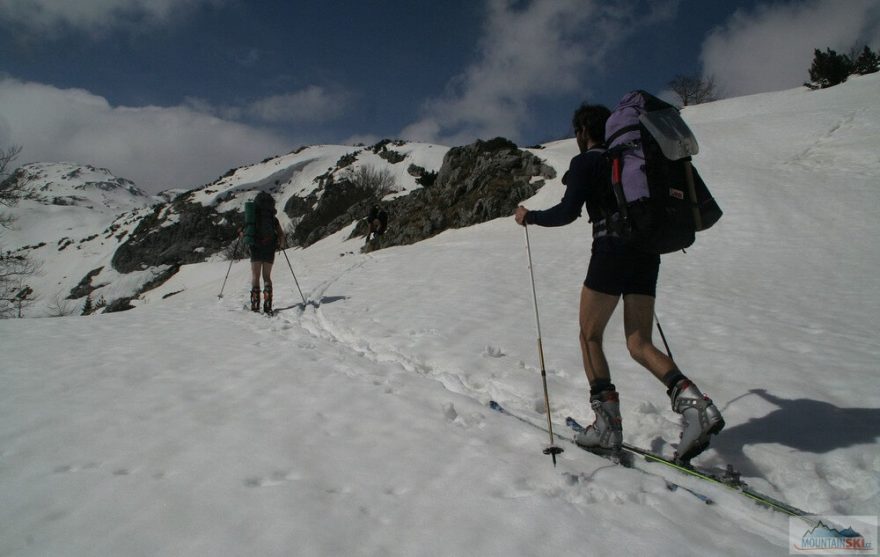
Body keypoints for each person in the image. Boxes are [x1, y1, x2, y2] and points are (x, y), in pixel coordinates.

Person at [514, 103, 724, 463]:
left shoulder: (588, 161)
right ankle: (695, 407)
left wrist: (528, 216)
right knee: (639, 341)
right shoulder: (629, 162)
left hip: (611, 248)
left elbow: (567, 212)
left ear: (583, 131)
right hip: (647, 250)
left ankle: (607, 426)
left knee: (589, 334)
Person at [242, 191, 286, 314]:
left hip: (255, 247)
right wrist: (280, 245)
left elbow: (245, 232)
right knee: (267, 276)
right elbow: (281, 235)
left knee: (255, 276)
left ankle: (255, 304)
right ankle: (268, 304)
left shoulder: (252, 216)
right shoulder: (273, 219)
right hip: (269, 248)